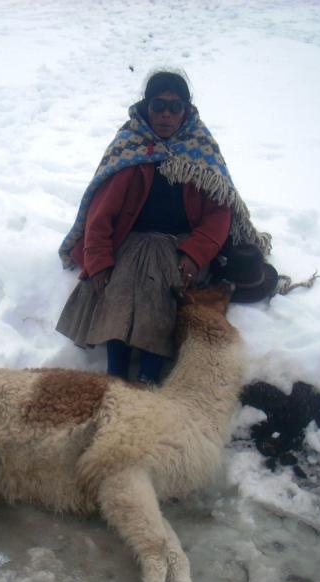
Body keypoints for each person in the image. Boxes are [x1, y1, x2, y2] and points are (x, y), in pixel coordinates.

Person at [56, 70, 271, 384]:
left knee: (162, 286)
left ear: (186, 110)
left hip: (181, 244)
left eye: (175, 107)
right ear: (146, 107)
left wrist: (195, 254)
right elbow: (100, 215)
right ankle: (115, 375)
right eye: (158, 106)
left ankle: (148, 377)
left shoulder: (201, 150)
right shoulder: (129, 145)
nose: (166, 115)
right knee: (120, 284)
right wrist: (99, 261)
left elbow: (218, 216)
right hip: (131, 240)